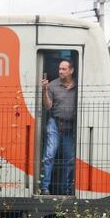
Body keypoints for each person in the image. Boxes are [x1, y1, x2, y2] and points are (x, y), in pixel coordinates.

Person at [40, 60, 78, 195]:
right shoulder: (52, 85)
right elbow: (48, 106)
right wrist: (44, 91)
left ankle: (67, 190)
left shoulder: (78, 85)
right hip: (54, 123)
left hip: (70, 127)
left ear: (71, 70)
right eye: (59, 69)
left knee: (70, 160)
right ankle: (44, 188)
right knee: (49, 156)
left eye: (64, 69)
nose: (60, 71)